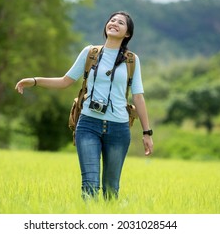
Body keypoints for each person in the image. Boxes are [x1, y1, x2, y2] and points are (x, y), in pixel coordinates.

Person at [15, 11, 154, 200]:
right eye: (112, 20)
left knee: (111, 190)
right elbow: (65, 81)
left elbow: (138, 97)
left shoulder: (131, 60)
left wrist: (147, 133)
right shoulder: (90, 53)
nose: (114, 23)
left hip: (119, 130)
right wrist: (34, 81)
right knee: (89, 186)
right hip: (88, 124)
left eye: (120, 23)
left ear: (127, 33)